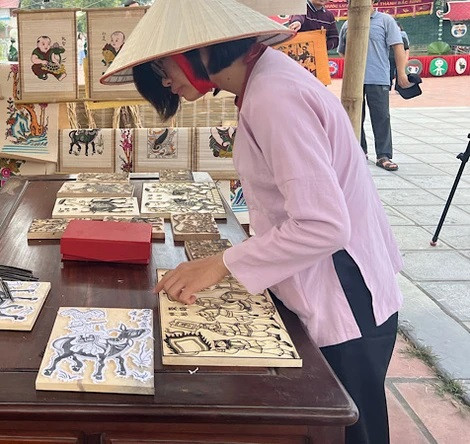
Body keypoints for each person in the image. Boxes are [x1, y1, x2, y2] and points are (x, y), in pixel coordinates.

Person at [101, 1, 402, 443]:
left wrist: (221, 262)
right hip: (336, 279)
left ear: (200, 50)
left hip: (345, 291)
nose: (165, 81)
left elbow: (323, 224)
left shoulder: (274, 97)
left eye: (165, 67)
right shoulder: (266, 82)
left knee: (350, 431)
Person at [338, 0, 410, 171]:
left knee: (381, 117)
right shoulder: (348, 24)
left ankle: (383, 155)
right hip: (353, 80)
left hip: (378, 77)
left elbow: (398, 47)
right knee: (354, 117)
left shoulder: (386, 20)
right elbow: (342, 50)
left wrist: (401, 73)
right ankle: (359, 151)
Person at [389, 22, 410, 87]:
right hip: (390, 58)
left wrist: (406, 58)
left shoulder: (403, 39)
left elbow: (407, 49)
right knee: (390, 72)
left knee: (400, 72)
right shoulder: (389, 38)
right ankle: (388, 85)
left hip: (400, 59)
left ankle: (398, 86)